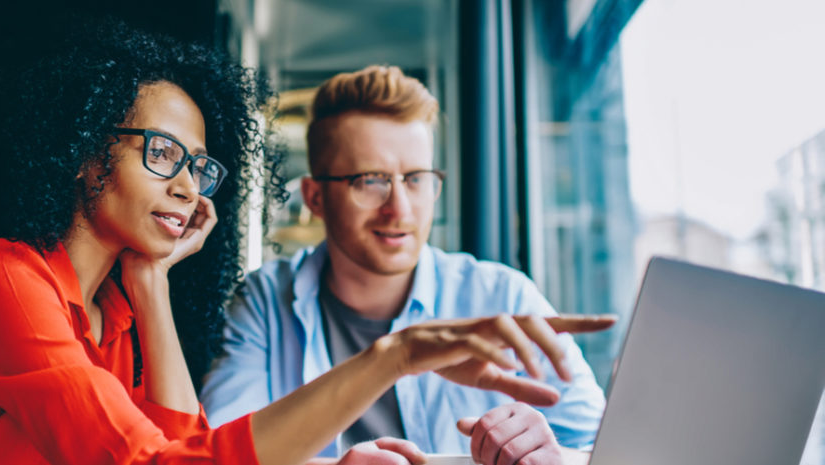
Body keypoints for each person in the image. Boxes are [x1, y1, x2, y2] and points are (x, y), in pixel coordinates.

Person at [0, 20, 614, 465]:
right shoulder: (6, 280)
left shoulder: (113, 311)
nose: (188, 188)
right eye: (161, 153)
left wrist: (152, 284)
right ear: (80, 151)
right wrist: (394, 357)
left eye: (198, 166)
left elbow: (179, 446)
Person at [200, 65, 610, 465]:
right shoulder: (265, 302)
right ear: (315, 198)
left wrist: (556, 456)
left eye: (416, 179)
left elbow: (609, 448)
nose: (399, 209)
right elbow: (219, 456)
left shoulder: (503, 296)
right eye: (370, 181)